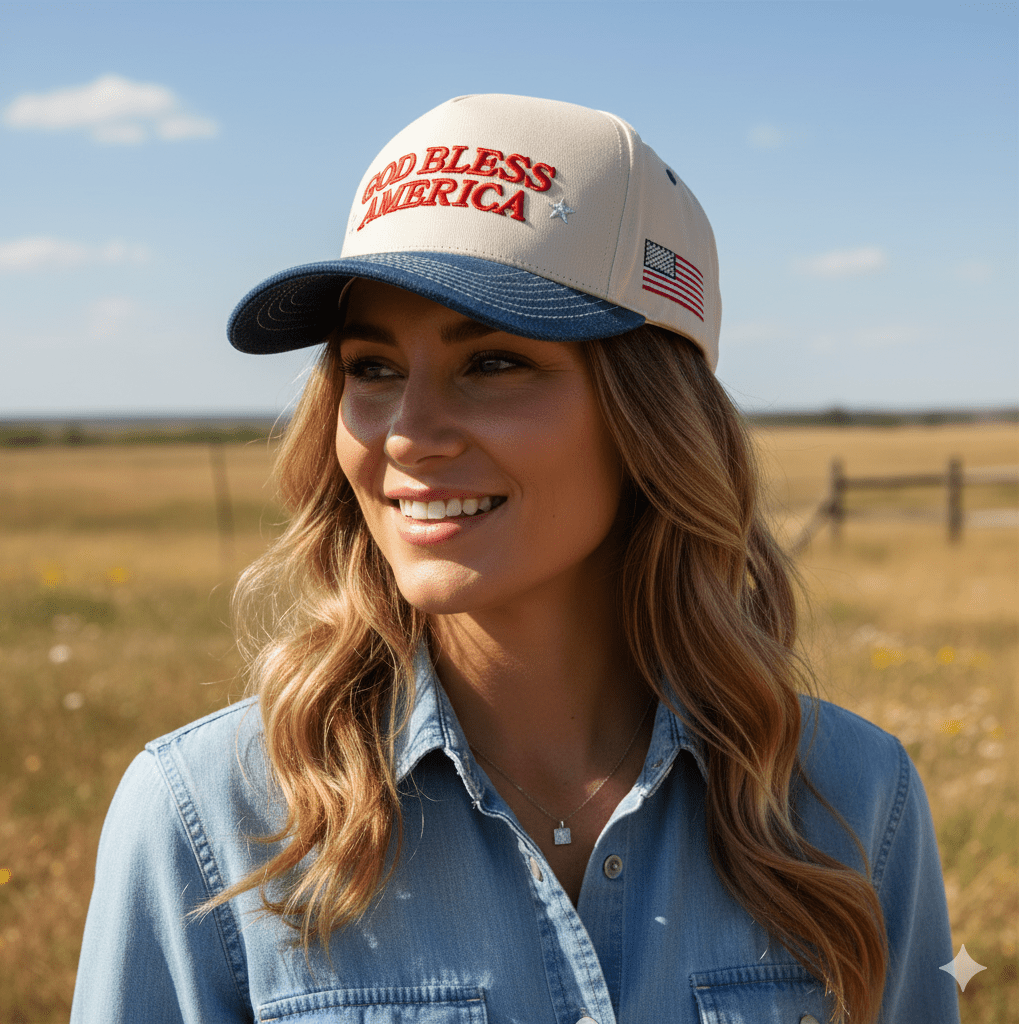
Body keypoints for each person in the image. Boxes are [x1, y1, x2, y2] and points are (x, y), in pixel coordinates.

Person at [71, 94, 960, 1024]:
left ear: (652, 417)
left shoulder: (851, 801)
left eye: (492, 362)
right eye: (371, 368)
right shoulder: (208, 823)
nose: (409, 433)